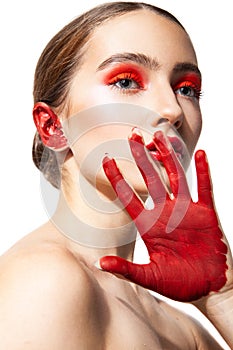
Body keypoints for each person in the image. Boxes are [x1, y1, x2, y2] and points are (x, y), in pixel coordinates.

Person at [0, 2, 232, 349]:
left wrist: (222, 297)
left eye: (186, 89)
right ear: (52, 126)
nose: (172, 109)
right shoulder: (43, 281)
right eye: (126, 81)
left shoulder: (185, 330)